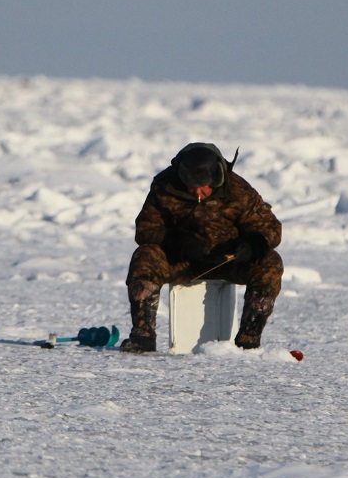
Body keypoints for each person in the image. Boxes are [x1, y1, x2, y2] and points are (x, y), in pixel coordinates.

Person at [121, 142, 283, 353]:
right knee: (145, 256)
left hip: (228, 261)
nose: (198, 191)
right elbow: (145, 229)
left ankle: (248, 340)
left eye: (203, 185)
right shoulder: (164, 186)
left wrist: (253, 244)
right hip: (180, 260)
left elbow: (268, 226)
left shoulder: (238, 190)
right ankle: (142, 337)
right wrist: (175, 240)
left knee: (270, 262)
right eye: (191, 185)